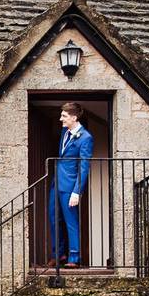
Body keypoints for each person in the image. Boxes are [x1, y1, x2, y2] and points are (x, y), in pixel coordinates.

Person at [49, 101, 93, 268]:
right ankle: (58, 254)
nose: (61, 119)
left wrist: (77, 192)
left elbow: (84, 166)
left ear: (74, 117)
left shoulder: (86, 138)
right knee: (53, 218)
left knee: (71, 221)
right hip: (56, 182)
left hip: (70, 185)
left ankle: (74, 258)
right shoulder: (65, 132)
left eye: (64, 116)